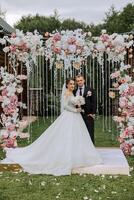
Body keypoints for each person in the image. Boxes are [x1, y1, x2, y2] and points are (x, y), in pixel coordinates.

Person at [1, 78, 102, 176]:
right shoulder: (67, 93)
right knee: (67, 135)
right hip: (70, 116)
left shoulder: (72, 93)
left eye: (73, 84)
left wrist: (79, 105)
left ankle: (76, 155)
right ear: (67, 85)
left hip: (76, 117)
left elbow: (74, 103)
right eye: (70, 84)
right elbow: (65, 106)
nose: (72, 85)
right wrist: (75, 110)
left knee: (76, 136)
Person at [74, 75, 96, 144]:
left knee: (89, 132)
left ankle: (91, 149)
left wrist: (92, 113)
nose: (79, 82)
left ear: (84, 80)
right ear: (76, 82)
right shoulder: (75, 91)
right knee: (79, 132)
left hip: (88, 114)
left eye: (81, 80)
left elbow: (94, 102)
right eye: (78, 81)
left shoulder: (90, 89)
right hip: (78, 115)